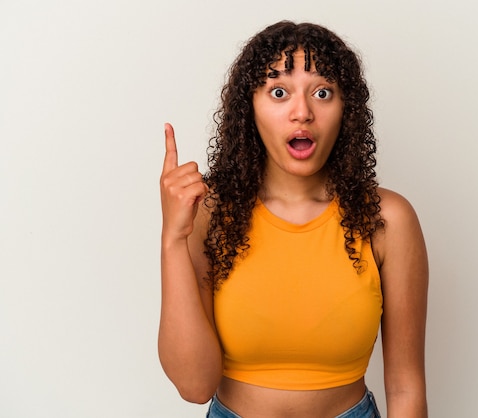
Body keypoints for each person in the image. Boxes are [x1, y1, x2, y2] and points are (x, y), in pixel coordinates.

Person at [158, 21, 428, 417]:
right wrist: (173, 240)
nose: (302, 112)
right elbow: (195, 386)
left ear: (345, 108)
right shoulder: (208, 211)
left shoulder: (387, 219)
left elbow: (406, 389)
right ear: (249, 107)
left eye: (322, 93)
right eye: (279, 92)